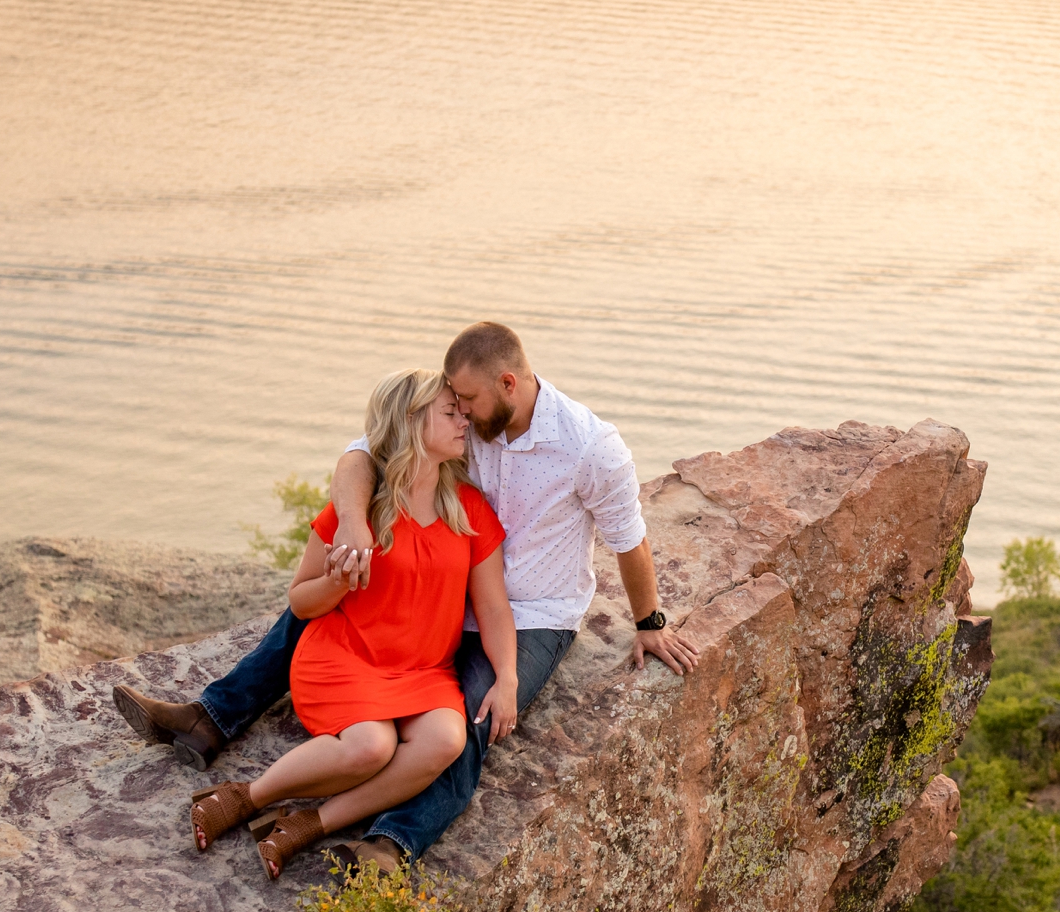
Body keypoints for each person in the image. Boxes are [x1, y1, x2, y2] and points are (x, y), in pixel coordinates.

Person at [114, 320, 698, 869]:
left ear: (508, 384)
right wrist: (351, 523)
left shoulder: (588, 446)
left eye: (466, 401)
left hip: (528, 611)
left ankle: (390, 841)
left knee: (474, 715)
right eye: (453, 404)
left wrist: (650, 621)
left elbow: (629, 538)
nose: (460, 411)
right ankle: (211, 719)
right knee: (318, 608)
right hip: (438, 588)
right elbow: (366, 452)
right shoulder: (464, 426)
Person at [187, 368, 514, 878]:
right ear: (410, 422)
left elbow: (493, 608)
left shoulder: (467, 508)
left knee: (446, 741)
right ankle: (246, 798)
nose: (464, 420)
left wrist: (508, 678)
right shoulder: (360, 509)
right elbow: (300, 602)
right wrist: (340, 581)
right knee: (371, 746)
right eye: (450, 413)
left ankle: (306, 825)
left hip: (424, 672)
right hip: (346, 657)